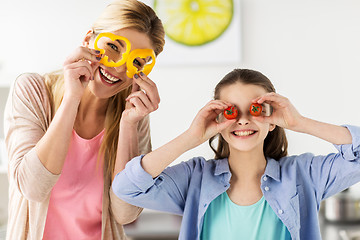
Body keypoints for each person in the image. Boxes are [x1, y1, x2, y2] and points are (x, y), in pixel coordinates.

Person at [112, 68, 360, 240]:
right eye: (231, 112)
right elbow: (126, 187)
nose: (242, 121)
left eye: (255, 110)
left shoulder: (303, 175)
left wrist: (299, 122)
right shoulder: (195, 178)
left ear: (272, 120)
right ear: (217, 119)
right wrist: (192, 136)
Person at [4, 0, 165, 239]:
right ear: (89, 39)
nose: (120, 66)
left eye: (136, 61)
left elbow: (126, 214)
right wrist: (72, 98)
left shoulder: (133, 114)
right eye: (113, 47)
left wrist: (129, 125)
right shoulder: (33, 90)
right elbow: (33, 188)